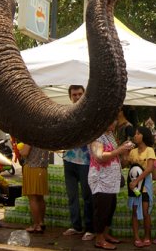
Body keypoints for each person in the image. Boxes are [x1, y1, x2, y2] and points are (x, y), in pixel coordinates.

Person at [89, 119, 133, 250]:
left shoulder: (110, 136)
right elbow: (99, 156)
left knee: (110, 208)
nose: (115, 123)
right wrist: (120, 149)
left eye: (115, 120)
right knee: (102, 209)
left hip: (111, 180)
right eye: (112, 120)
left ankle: (105, 234)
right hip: (101, 179)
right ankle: (99, 239)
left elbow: (119, 160)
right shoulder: (96, 136)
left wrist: (125, 152)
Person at [62, 85, 95, 240]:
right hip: (68, 160)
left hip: (86, 162)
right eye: (74, 94)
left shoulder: (90, 114)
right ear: (70, 97)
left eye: (80, 94)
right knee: (72, 196)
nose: (77, 97)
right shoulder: (65, 114)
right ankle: (76, 226)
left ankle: (90, 229)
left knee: (87, 196)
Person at [126, 126, 156, 248]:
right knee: (134, 211)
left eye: (138, 134)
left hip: (144, 186)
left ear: (144, 135)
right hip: (134, 186)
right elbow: (127, 165)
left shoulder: (150, 150)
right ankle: (137, 237)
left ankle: (147, 236)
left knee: (145, 211)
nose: (135, 136)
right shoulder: (132, 152)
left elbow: (149, 169)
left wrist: (137, 181)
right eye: (135, 134)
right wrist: (123, 151)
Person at [20, 143, 51, 234]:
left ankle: (36, 225)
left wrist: (20, 150)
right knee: (40, 198)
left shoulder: (30, 138)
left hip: (32, 168)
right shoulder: (43, 138)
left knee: (33, 198)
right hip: (42, 169)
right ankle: (41, 222)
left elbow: (25, 152)